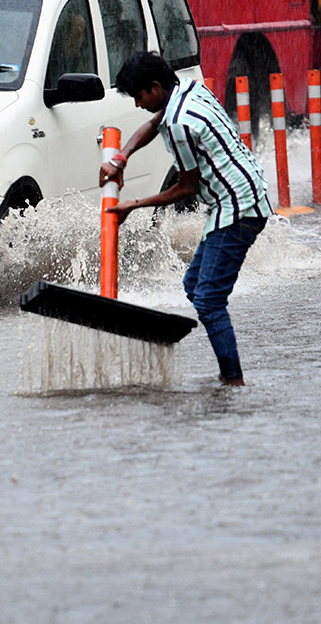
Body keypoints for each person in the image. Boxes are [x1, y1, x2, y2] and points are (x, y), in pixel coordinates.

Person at [100, 51, 273, 386]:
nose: (138, 104)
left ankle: (233, 381)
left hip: (238, 208)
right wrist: (122, 158)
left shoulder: (180, 123)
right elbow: (152, 125)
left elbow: (185, 188)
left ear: (154, 86)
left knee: (208, 302)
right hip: (243, 196)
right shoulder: (190, 89)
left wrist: (133, 205)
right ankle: (228, 370)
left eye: (139, 96)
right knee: (193, 285)